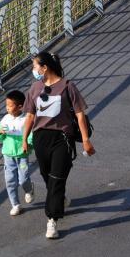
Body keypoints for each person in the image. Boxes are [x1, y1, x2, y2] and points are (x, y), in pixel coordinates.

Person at [21, 52, 95, 239]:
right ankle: (59, 199)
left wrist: (86, 140)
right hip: (41, 138)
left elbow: (79, 114)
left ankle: (52, 219)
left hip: (62, 138)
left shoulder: (68, 86)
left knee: (56, 178)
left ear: (45, 68)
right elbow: (30, 115)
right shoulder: (35, 88)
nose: (33, 70)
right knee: (47, 176)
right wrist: (24, 139)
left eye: (35, 66)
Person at [0, 89, 34, 216]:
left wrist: (28, 144)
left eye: (10, 105)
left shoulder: (25, 120)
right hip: (8, 155)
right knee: (10, 180)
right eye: (6, 105)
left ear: (20, 106)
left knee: (23, 179)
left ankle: (29, 189)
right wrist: (0, 133)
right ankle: (15, 204)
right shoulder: (5, 119)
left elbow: (31, 136)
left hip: (22, 155)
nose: (7, 108)